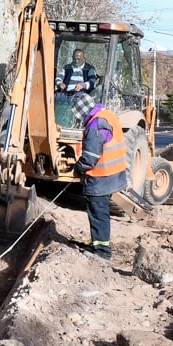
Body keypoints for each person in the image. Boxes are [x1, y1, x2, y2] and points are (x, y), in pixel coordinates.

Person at [75, 103, 129, 261]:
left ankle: (102, 252)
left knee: (98, 214)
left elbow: (89, 159)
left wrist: (77, 168)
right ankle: (97, 244)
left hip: (101, 179)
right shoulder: (106, 115)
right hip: (112, 176)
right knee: (100, 213)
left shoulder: (94, 126)